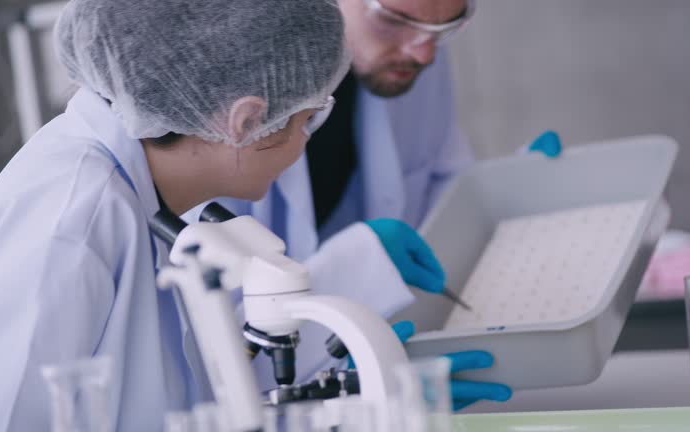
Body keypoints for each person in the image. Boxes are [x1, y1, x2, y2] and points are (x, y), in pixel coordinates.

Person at [187, 0, 560, 410]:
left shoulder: (414, 52)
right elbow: (196, 343)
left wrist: (506, 192)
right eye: (393, 20)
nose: (424, 53)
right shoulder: (220, 80)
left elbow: (439, 187)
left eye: (444, 28)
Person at [0, 0, 351, 430]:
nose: (303, 143)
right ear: (247, 120)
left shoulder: (138, 189)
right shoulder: (73, 223)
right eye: (307, 119)